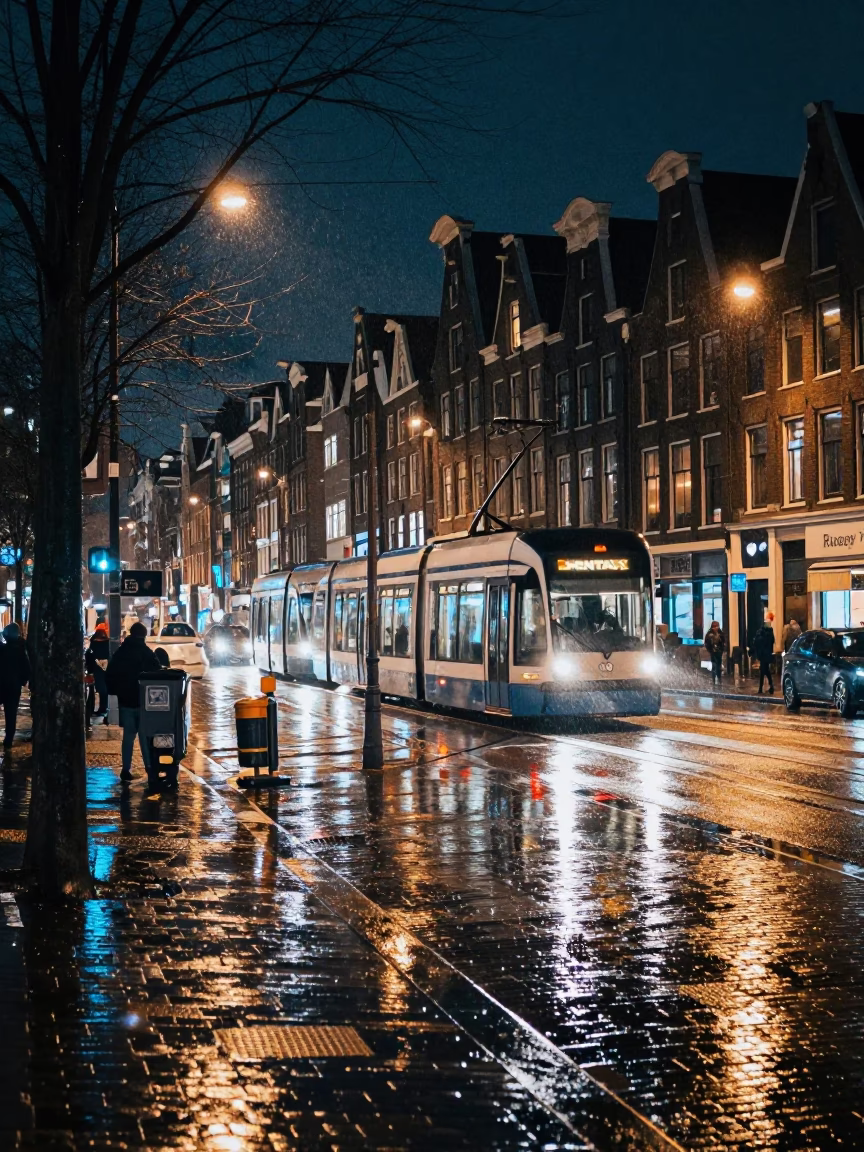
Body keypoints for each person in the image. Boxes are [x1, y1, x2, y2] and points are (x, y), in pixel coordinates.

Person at [105, 621, 160, 784]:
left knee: (128, 737)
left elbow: (110, 674)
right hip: (143, 701)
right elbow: (157, 670)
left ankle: (125, 769)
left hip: (126, 701)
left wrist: (115, 693)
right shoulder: (146, 652)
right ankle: (149, 768)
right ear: (143, 635)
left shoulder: (121, 652)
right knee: (144, 737)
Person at [0, 622, 30, 749]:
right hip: (14, 686)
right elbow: (27, 669)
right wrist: (22, 681)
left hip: (1, 684)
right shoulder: (21, 649)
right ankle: (9, 738)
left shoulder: (2, 650)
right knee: (11, 713)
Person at [85, 623, 110, 718]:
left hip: (97, 669)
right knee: (105, 690)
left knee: (98, 689)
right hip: (107, 669)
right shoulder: (108, 643)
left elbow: (90, 657)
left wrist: (89, 669)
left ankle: (98, 709)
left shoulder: (94, 644)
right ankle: (104, 708)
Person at [751, 612, 776, 695]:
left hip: (763, 654)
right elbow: (771, 642)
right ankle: (769, 686)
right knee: (765, 670)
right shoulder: (768, 632)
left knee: (763, 670)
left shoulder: (762, 632)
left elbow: (758, 642)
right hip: (766, 654)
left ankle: (762, 688)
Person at [704, 620, 726, 687]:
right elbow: (707, 643)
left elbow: (723, 642)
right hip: (713, 652)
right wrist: (710, 650)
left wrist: (722, 649)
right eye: (715, 626)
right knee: (714, 665)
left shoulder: (721, 634)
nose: (716, 628)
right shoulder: (709, 634)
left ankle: (719, 679)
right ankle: (713, 680)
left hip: (719, 652)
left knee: (718, 665)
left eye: (717, 626)